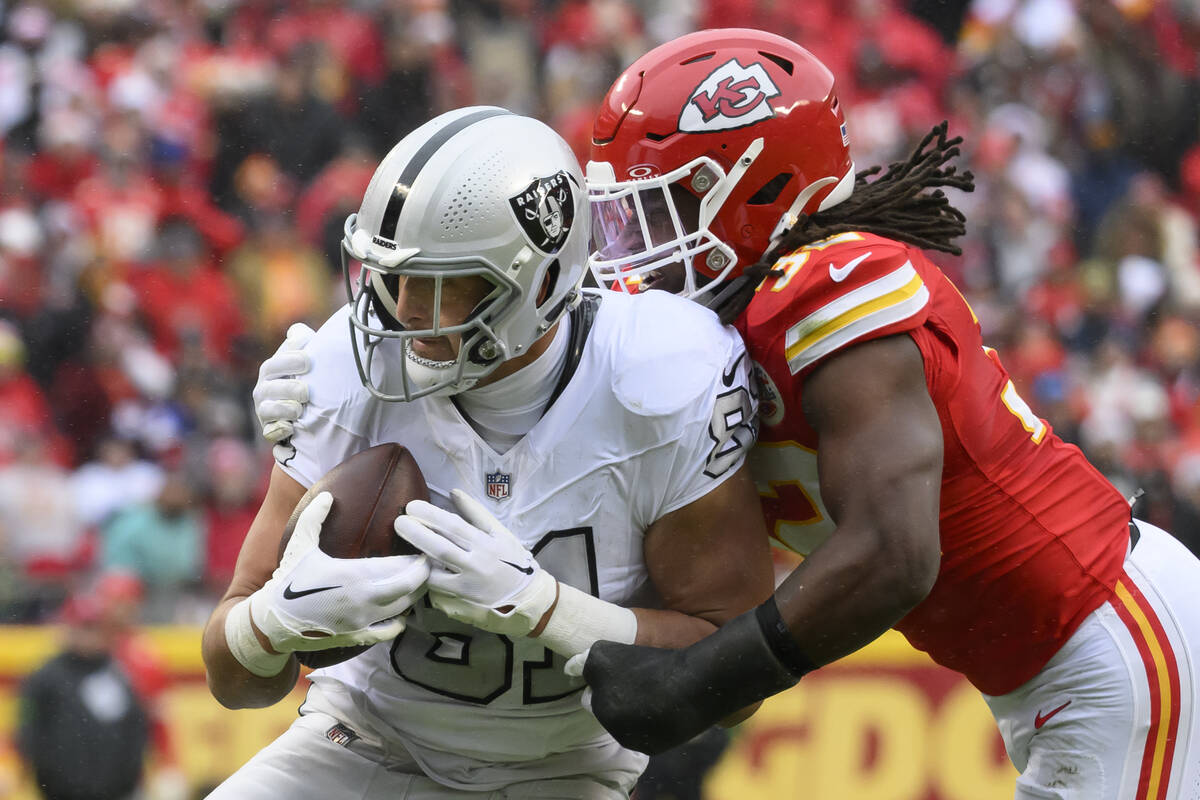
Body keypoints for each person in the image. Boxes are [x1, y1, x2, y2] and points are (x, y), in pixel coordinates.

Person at [569, 29, 1200, 799]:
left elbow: (893, 554)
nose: (631, 253)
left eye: (657, 217)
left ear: (759, 192)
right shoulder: (713, 348)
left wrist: (696, 680)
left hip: (1106, 631)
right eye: (620, 225)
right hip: (1048, 668)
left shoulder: (830, 283)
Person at [202, 106, 773, 800]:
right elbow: (232, 679)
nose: (403, 311)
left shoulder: (658, 378)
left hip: (561, 773)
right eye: (389, 276)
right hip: (358, 745)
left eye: (438, 281)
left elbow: (734, 676)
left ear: (537, 284)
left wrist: (545, 609)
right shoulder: (340, 368)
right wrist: (272, 623)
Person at [16, 592, 151, 800]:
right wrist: (48, 777)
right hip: (60, 793)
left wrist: (128, 778)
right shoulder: (45, 678)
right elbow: (28, 730)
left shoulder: (120, 674)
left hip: (116, 792)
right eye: (84, 627)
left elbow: (137, 729)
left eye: (97, 628)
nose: (90, 635)